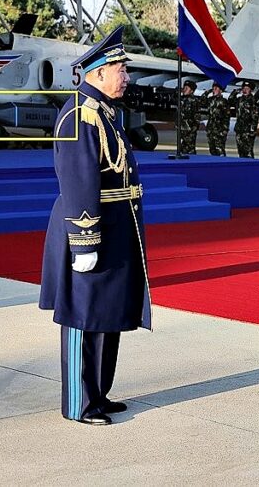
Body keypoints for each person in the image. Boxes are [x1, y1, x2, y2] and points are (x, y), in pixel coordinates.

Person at [39, 28, 152, 426]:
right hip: (89, 227)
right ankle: (79, 402)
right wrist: (84, 241)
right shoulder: (80, 114)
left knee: (106, 314)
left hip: (116, 225)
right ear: (98, 72)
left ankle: (99, 394)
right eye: (120, 68)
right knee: (83, 316)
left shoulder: (104, 112)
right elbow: (77, 179)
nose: (126, 76)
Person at [230, 80, 259, 158]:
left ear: (251, 90)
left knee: (248, 151)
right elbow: (230, 100)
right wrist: (235, 91)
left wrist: (252, 130)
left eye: (247, 88)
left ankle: (251, 168)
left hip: (248, 129)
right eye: (243, 88)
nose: (245, 90)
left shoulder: (253, 100)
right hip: (239, 128)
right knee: (240, 150)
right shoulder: (239, 100)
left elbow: (255, 117)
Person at [203, 83, 230, 156]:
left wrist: (224, 130)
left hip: (219, 129)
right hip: (211, 129)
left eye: (216, 88)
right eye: (213, 88)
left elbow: (226, 117)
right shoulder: (210, 100)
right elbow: (202, 101)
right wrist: (207, 92)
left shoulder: (224, 101)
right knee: (212, 149)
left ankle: (223, 165)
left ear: (221, 90)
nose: (214, 89)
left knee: (220, 150)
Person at [177, 80, 201, 155]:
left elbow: (197, 116)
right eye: (184, 87)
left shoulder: (194, 101)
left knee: (190, 149)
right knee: (182, 149)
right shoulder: (181, 100)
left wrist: (193, 129)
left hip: (190, 129)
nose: (184, 89)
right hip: (182, 128)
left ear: (192, 91)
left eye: (187, 88)